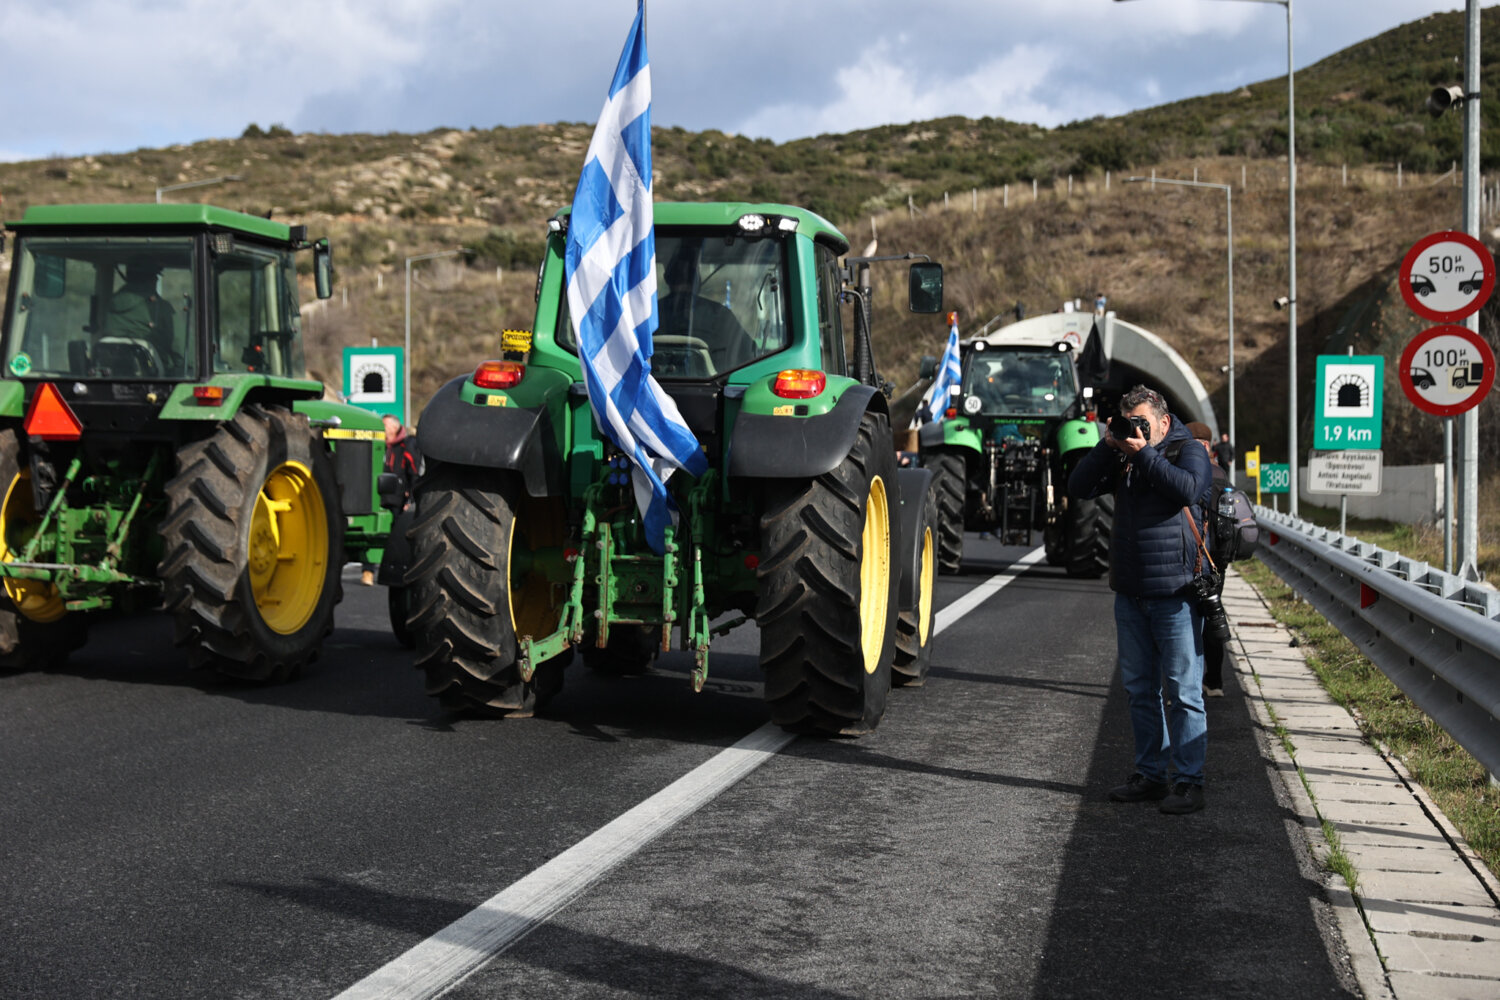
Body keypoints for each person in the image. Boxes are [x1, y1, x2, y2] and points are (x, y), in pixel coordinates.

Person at [1068, 385, 1214, 815]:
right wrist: (1108, 445)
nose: (1135, 429)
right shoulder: (1123, 455)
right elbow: (1078, 486)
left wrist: (1144, 453)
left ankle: (1188, 781)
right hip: (1130, 593)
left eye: (1142, 422)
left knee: (1183, 691)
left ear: (1164, 422)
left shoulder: (1187, 450)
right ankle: (1150, 774)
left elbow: (1189, 490)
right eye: (1128, 420)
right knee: (1139, 691)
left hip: (1175, 594)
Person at [1187, 421, 1230, 698]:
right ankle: (1214, 682)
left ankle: (1186, 687)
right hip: (1217, 563)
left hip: (1191, 560)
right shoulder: (1221, 474)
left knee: (1187, 623)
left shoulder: (1188, 472)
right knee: (1213, 617)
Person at [655, 251, 753, 373]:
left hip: (654, 383)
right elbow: (748, 355)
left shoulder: (649, 317)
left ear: (667, 278)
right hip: (718, 382)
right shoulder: (719, 315)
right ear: (697, 279)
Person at [362, 414, 423, 585]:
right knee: (369, 534)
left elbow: (414, 473)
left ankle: (398, 570)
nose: (382, 430)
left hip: (397, 499)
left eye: (385, 426)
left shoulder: (407, 446)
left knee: (397, 535)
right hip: (377, 496)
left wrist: (411, 499)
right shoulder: (379, 445)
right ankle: (367, 571)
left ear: (395, 428)